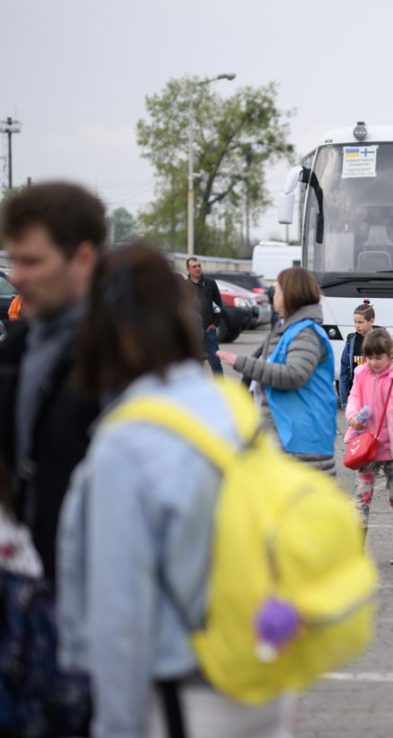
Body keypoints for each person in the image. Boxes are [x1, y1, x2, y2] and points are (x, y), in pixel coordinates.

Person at [57, 243, 296, 736]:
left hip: (177, 694)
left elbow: (119, 620)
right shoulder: (229, 408)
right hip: (258, 680)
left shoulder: (127, 442)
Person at [0, 182, 105, 583]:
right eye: (14, 260)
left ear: (82, 258)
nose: (15, 276)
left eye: (32, 262)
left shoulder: (122, 361)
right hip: (26, 588)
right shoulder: (20, 347)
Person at [218, 268, 337, 473]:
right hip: (288, 439)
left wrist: (243, 363)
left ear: (291, 294)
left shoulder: (305, 332)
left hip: (301, 444)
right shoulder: (290, 329)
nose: (274, 294)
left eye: (278, 289)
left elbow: (294, 374)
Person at [344, 328, 393, 564]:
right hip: (367, 444)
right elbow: (353, 399)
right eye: (370, 357)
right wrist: (352, 418)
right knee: (361, 496)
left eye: (379, 357)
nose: (374, 362)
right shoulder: (361, 373)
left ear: (390, 354)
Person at [187, 257, 225, 375]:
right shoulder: (184, 286)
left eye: (199, 266)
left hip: (209, 331)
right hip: (192, 333)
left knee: (215, 362)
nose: (198, 269)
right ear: (188, 270)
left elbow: (218, 305)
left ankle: (220, 390)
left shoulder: (210, 283)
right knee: (195, 365)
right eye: (194, 267)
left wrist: (215, 323)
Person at [339, 302, 376, 408]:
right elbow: (344, 371)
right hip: (355, 395)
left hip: (374, 397)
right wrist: (344, 400)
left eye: (360, 322)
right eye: (355, 322)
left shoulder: (379, 340)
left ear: (371, 321)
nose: (357, 325)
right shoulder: (351, 341)